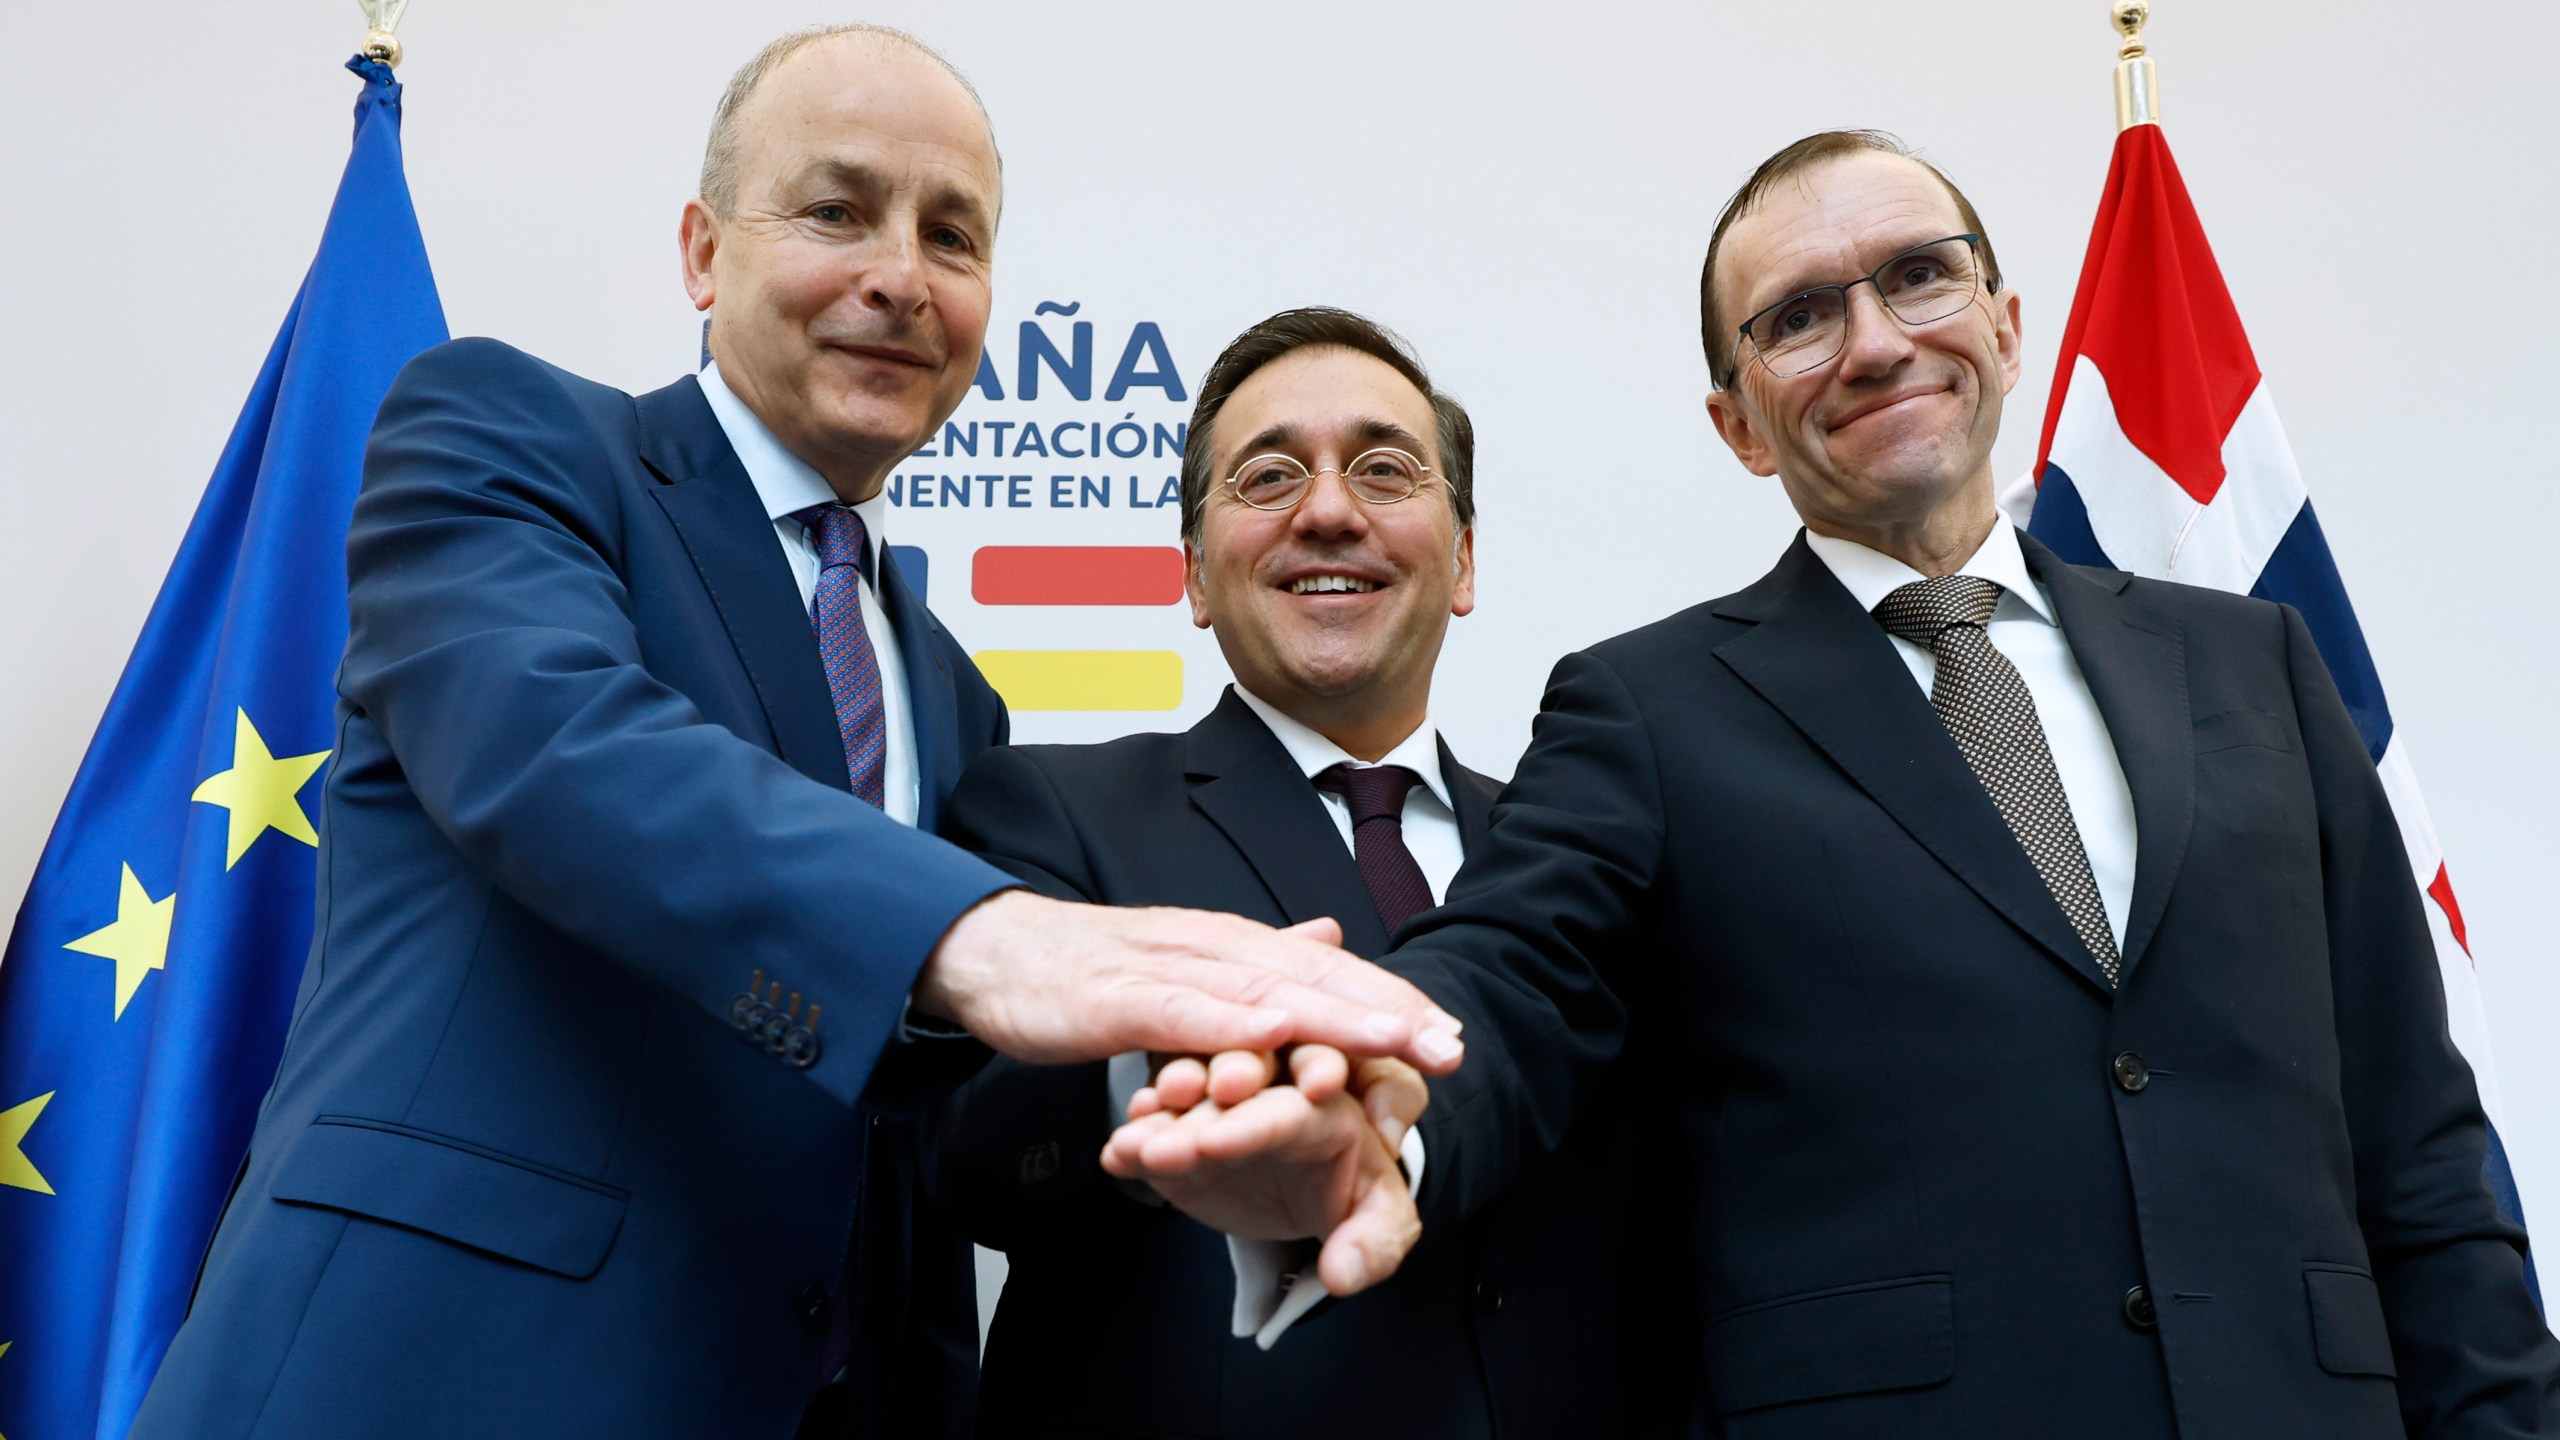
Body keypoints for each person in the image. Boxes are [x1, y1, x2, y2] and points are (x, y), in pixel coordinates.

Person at [1105, 131, 2560, 1437]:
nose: (1872, 341)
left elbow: (2418, 1141)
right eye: (1798, 317)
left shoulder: (2259, 665)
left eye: (1918, 278)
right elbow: (1514, 977)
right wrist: (1371, 1109)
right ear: (1737, 421)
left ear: (2003, 326)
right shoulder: (1651, 709)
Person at [128, 29, 1459, 1440]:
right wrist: (998, 938)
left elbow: (898, 1131)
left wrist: (1206, 1090)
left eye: (952, 235)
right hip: (422, 1383)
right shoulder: (504, 434)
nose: (899, 274)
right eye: (836, 210)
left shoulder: (950, 689)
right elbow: (562, 752)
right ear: (702, 253)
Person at [925, 308, 1637, 1437]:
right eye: (1266, 478)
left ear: (1461, 560)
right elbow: (966, 1150)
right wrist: (1164, 1075)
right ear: (1196, 577)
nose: (1328, 510)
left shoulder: (1587, 846)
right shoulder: (1050, 806)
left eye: (1385, 470)